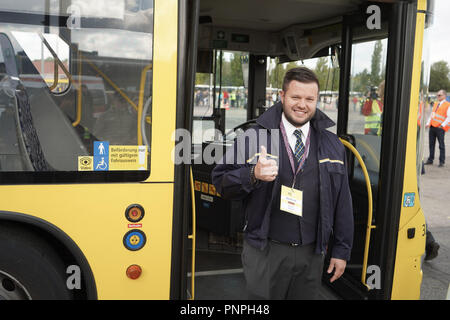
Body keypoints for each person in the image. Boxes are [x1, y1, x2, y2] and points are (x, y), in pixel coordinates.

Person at [212, 67, 354, 300]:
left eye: (310, 99)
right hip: (266, 251)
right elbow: (221, 182)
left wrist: (341, 250)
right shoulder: (253, 137)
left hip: (312, 252)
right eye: (296, 97)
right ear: (282, 96)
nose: (302, 105)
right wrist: (252, 174)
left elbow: (342, 202)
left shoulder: (332, 143)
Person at [425, 89, 450, 167]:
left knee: (441, 145)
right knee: (431, 144)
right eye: (437, 95)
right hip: (432, 126)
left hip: (440, 128)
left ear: (444, 96)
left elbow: (449, 117)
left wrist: (442, 125)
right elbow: (432, 115)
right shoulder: (436, 104)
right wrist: (428, 123)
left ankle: (441, 161)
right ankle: (430, 159)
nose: (438, 96)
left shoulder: (448, 105)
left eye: (439, 95)